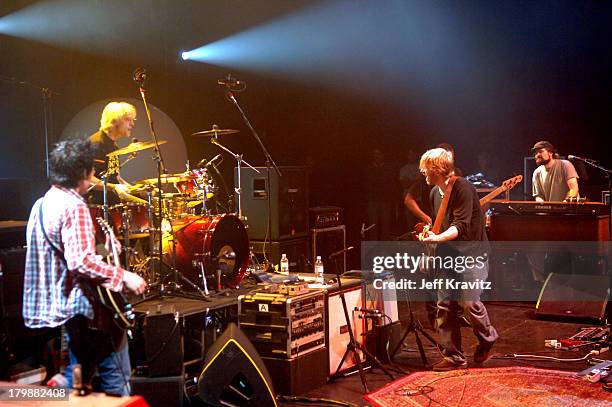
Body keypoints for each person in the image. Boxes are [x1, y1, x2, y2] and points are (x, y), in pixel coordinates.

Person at [23, 139, 147, 395]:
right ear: (81, 173)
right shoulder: (75, 207)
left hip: (66, 309)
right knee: (117, 381)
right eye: (91, 170)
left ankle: (63, 387)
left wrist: (107, 249)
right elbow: (80, 261)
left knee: (80, 377)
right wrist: (123, 274)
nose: (93, 177)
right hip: (90, 310)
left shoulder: (42, 203)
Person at [419, 148, 498, 371]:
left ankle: (488, 338)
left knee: (469, 302)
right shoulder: (435, 192)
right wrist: (429, 233)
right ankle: (453, 356)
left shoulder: (462, 187)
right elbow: (442, 223)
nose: (423, 172)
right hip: (448, 255)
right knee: (445, 305)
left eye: (426, 169)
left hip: (471, 254)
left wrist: (438, 237)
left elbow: (460, 226)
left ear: (437, 169)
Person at [88, 101, 142, 205]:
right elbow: (86, 178)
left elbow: (115, 177)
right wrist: (114, 187)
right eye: (128, 120)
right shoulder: (96, 144)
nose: (132, 124)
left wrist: (136, 190)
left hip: (112, 202)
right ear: (115, 120)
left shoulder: (113, 146)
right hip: (98, 206)